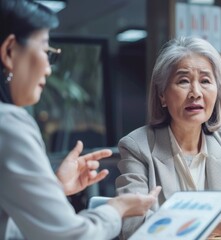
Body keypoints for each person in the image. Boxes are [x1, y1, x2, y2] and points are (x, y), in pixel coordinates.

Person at [0, 0, 161, 239]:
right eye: (46, 51)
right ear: (10, 51)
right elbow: (70, 236)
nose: (48, 69)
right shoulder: (10, 124)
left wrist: (53, 189)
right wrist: (116, 209)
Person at [115, 36, 221, 240]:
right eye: (183, 81)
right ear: (162, 95)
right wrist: (214, 227)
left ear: (217, 91)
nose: (196, 93)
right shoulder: (137, 147)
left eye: (205, 81)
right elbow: (133, 228)